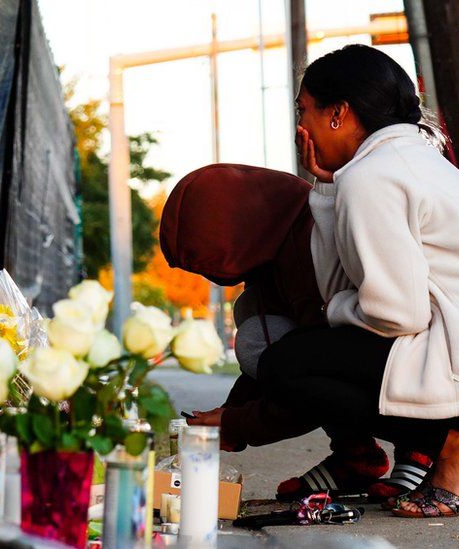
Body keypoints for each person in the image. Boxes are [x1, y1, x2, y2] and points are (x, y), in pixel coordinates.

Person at [188, 44, 459, 518]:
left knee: (291, 363)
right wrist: (325, 189)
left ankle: (457, 449)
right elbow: (342, 286)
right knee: (305, 352)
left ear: (338, 113)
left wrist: (337, 310)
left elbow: (394, 314)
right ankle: (438, 448)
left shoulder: (375, 176)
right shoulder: (401, 162)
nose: (300, 126)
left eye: (304, 110)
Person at [160, 163, 435, 504]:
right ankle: (357, 456)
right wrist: (230, 411)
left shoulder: (312, 244)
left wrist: (237, 424)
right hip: (345, 353)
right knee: (258, 329)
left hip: (412, 358)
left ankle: (422, 448)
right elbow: (275, 355)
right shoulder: (272, 249)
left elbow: (304, 375)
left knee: (304, 358)